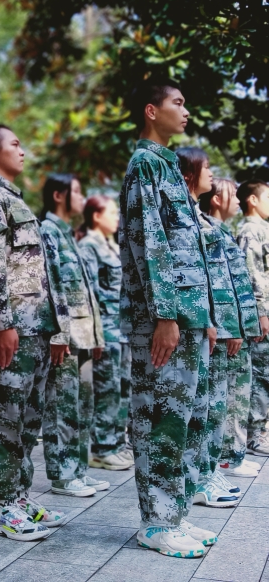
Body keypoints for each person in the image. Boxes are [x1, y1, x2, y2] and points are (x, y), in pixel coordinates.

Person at [119, 78, 217, 557]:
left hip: (187, 316)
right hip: (163, 318)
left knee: (182, 420)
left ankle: (173, 513)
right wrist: (165, 314)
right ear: (151, 110)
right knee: (161, 419)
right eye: (178, 103)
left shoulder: (168, 168)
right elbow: (148, 242)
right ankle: (156, 523)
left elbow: (189, 250)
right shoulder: (144, 165)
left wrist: (205, 316)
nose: (186, 111)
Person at [0, 124, 69, 541]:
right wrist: (1, 324)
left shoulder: (14, 202)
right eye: (15, 145)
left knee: (26, 420)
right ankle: (0, 506)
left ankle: (19, 495)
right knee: (2, 419)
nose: (22, 152)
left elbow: (39, 274)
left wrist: (53, 328)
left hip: (34, 330)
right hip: (10, 331)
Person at [176, 147, 243, 508]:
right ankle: (199, 477)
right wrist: (214, 322)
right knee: (203, 407)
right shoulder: (189, 219)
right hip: (202, 327)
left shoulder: (202, 222)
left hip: (211, 326)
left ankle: (205, 472)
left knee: (212, 406)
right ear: (189, 175)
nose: (214, 176)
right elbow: (207, 282)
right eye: (208, 169)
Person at [39, 174, 106, 497]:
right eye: (76, 191)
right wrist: (57, 335)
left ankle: (78, 468)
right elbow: (52, 287)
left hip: (84, 336)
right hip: (66, 338)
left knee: (83, 406)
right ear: (58, 195)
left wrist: (98, 334)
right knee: (62, 407)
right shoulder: (48, 232)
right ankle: (62, 474)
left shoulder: (67, 234)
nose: (81, 197)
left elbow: (84, 291)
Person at [200, 177, 263, 477]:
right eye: (231, 194)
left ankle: (231, 454)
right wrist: (229, 327)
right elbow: (216, 288)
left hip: (235, 328)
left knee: (235, 395)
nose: (237, 199)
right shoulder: (210, 231)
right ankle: (222, 458)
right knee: (221, 398)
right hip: (224, 331)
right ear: (215, 199)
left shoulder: (223, 232)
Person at [77, 195, 134, 471]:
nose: (117, 218)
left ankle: (115, 443)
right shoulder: (88, 246)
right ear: (96, 216)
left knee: (123, 388)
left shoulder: (113, 246)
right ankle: (101, 448)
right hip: (107, 331)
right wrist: (95, 335)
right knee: (107, 389)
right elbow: (89, 296)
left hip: (122, 329)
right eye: (111, 212)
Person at [235, 179, 269, 457]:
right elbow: (252, 274)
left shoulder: (263, 229)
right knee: (260, 375)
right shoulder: (249, 231)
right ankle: (254, 435)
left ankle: (259, 430)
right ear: (252, 200)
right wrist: (260, 312)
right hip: (263, 316)